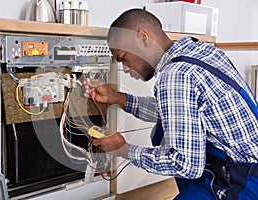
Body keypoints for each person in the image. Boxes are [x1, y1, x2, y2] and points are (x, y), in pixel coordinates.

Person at [84, 8, 258, 200]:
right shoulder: (200, 51)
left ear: (143, 37)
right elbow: (179, 115)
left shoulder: (175, 75)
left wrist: (123, 149)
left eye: (123, 58)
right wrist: (115, 97)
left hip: (243, 185)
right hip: (244, 169)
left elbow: (186, 165)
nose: (125, 68)